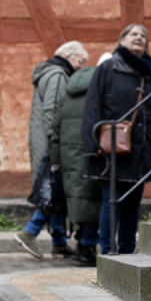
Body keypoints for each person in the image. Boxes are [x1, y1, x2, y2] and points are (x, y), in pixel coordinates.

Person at [82, 23, 151, 254]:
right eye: (134, 34)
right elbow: (92, 107)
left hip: (140, 149)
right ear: (122, 39)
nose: (139, 37)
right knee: (111, 203)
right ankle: (107, 252)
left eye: (143, 35)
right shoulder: (108, 67)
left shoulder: (149, 72)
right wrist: (92, 146)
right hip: (110, 148)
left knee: (133, 205)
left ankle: (127, 251)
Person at [15, 44, 73, 258]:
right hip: (51, 145)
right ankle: (29, 232)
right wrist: (56, 140)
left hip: (42, 143)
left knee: (54, 190)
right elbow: (52, 110)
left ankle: (59, 241)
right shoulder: (58, 74)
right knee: (53, 189)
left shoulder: (47, 72)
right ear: (69, 56)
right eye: (80, 61)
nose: (80, 66)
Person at [51, 42, 102, 266]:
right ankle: (87, 246)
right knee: (92, 198)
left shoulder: (67, 91)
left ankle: (83, 240)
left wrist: (55, 161)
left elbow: (55, 129)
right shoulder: (98, 90)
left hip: (68, 156)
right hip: (91, 152)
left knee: (79, 198)